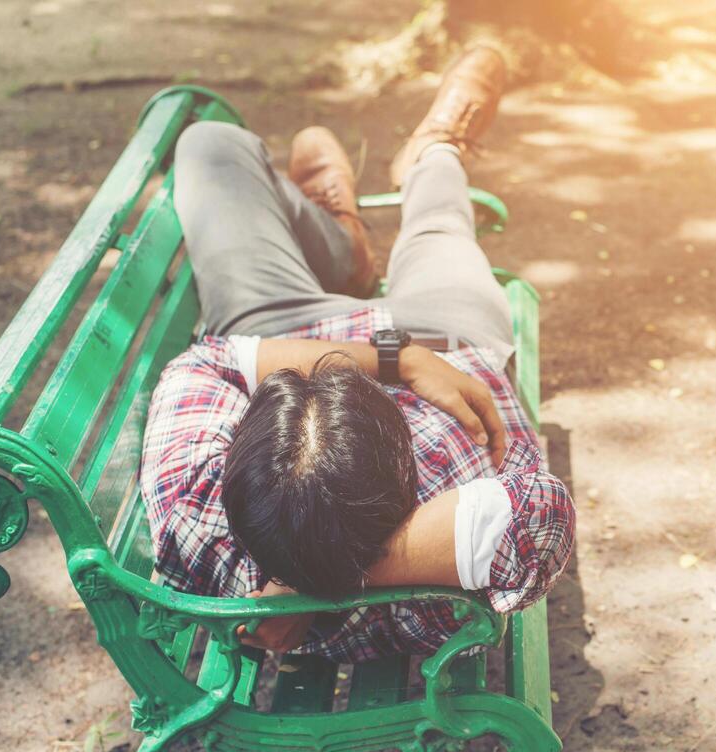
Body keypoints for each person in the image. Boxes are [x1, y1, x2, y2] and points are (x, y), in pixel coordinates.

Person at [138, 48, 575, 662]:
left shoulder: (199, 511)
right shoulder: (433, 596)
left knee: (210, 147)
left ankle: (341, 247)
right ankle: (434, 152)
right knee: (438, 228)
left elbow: (203, 364)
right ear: (403, 489)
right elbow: (543, 513)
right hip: (448, 335)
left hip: (293, 328)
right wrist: (329, 574)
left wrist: (396, 362)